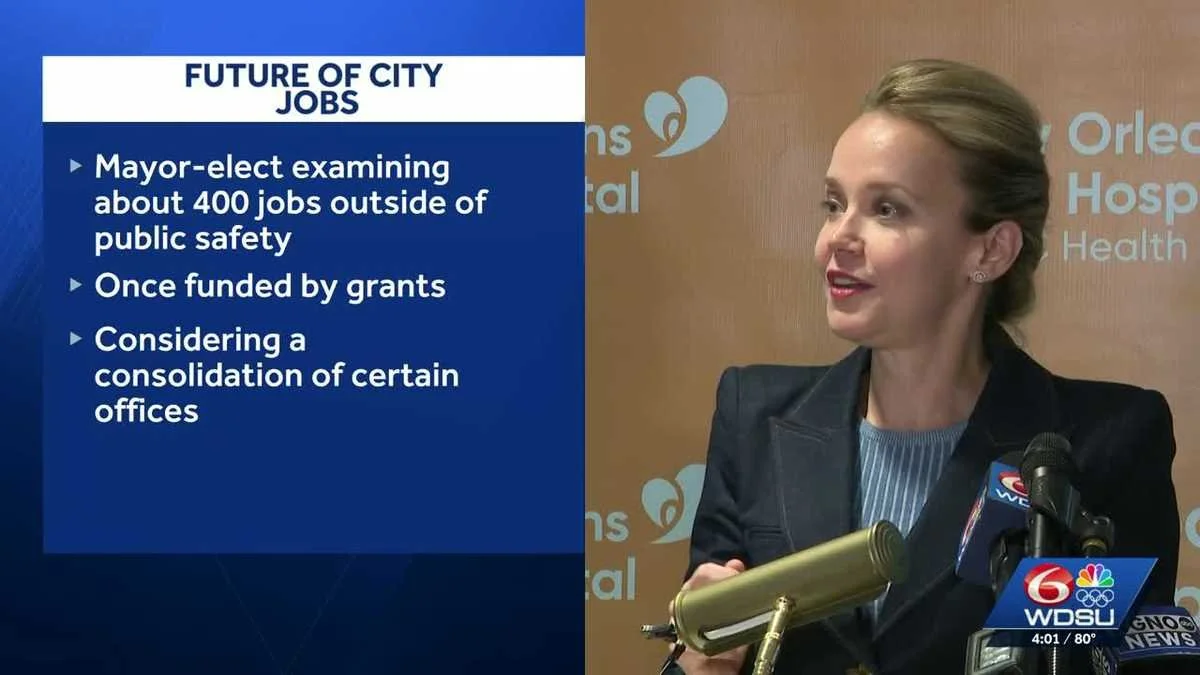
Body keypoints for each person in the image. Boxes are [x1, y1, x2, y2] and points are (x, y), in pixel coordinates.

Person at [668, 58, 1182, 675]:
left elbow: (1126, 661)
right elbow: (700, 657)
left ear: (990, 249)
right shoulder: (753, 418)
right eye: (834, 204)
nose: (837, 239)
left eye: (888, 209)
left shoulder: (1102, 446)